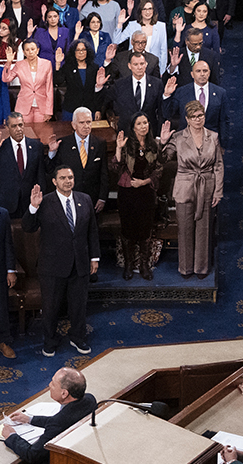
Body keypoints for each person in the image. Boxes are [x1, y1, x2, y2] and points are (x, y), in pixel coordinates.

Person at [25, 163, 99, 356]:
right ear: (54, 181)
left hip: (80, 263)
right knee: (50, 307)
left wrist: (94, 258)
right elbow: (28, 227)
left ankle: (78, 337)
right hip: (52, 266)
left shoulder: (85, 199)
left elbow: (92, 231)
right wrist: (33, 207)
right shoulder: (45, 201)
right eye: (63, 178)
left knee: (79, 306)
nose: (68, 181)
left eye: (70, 178)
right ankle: (50, 341)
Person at [171, 100, 224, 278]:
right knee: (185, 229)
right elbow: (163, 157)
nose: (197, 119)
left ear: (204, 115)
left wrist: (218, 191)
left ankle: (201, 268)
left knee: (204, 229)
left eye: (200, 115)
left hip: (207, 186)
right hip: (185, 186)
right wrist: (162, 142)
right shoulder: (178, 137)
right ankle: (186, 268)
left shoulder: (213, 137)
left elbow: (218, 166)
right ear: (187, 119)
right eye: (193, 117)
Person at [115, 111, 164, 280]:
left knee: (145, 230)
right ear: (133, 127)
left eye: (146, 122)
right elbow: (116, 167)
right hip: (127, 193)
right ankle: (129, 265)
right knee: (128, 230)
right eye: (139, 124)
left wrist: (144, 182)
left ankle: (144, 265)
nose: (143, 126)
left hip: (146, 192)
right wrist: (118, 148)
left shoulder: (154, 144)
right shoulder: (127, 144)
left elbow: (159, 169)